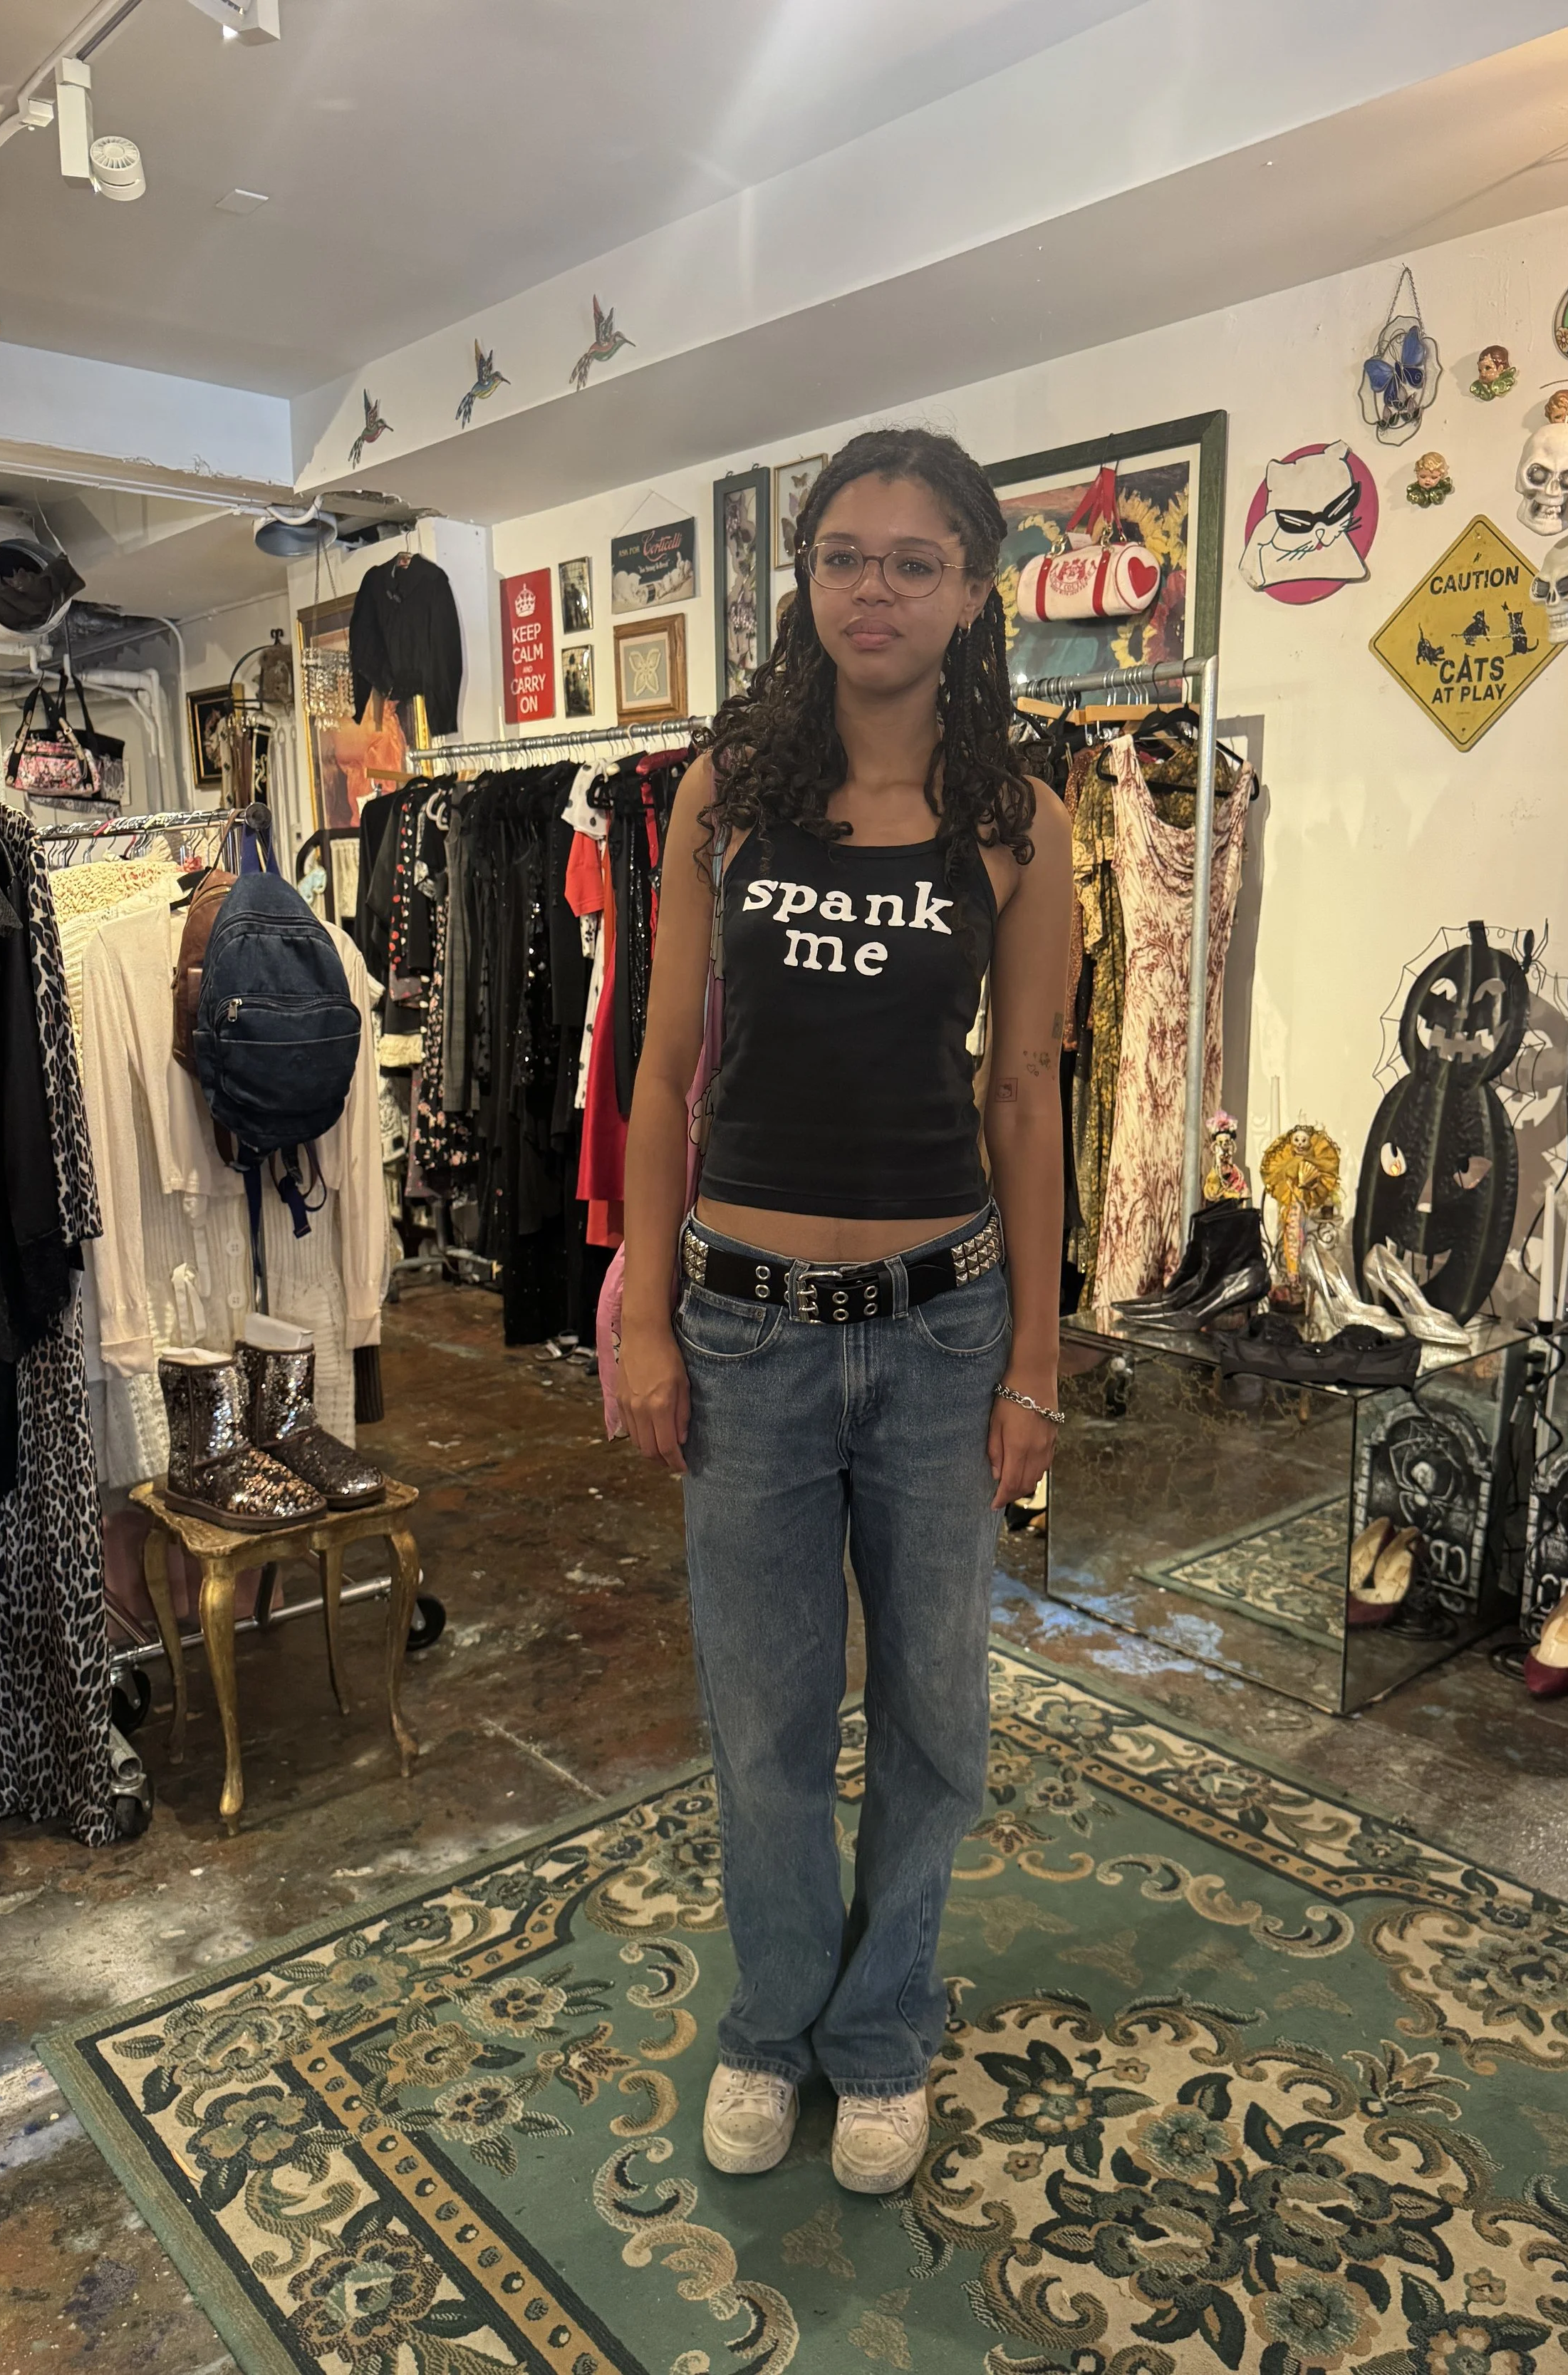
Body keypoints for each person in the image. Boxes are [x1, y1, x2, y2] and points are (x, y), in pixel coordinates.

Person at [618, 426, 1072, 2195]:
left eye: (912, 559)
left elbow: (1024, 1095)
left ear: (970, 593)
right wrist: (643, 1311)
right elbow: (664, 1071)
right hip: (739, 1328)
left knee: (938, 1721)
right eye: (840, 557)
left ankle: (880, 2034)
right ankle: (770, 2022)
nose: (870, 588)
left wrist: (1036, 1358)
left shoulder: (1016, 820)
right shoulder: (722, 796)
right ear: (800, 585)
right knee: (767, 1720)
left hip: (941, 1323)